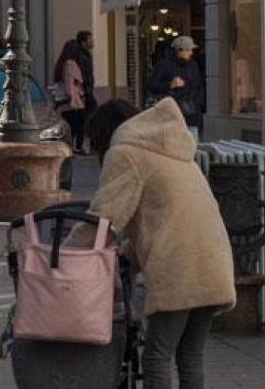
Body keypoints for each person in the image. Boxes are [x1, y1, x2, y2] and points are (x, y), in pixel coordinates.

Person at [87, 98, 235, 389]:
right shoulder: (174, 150)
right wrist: (128, 253)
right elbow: (165, 221)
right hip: (214, 262)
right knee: (191, 356)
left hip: (179, 267)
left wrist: (66, 252)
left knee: (157, 355)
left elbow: (103, 218)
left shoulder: (125, 153)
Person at [148, 36, 205, 134]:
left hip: (191, 114)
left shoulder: (193, 65)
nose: (191, 53)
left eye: (191, 50)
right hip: (171, 115)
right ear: (179, 50)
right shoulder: (164, 65)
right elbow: (152, 85)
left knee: (192, 143)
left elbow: (198, 86)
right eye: (188, 50)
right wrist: (170, 84)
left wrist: (199, 103)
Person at [52, 38, 91, 154]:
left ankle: (71, 146)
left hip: (67, 99)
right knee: (78, 124)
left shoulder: (61, 63)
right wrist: (74, 98)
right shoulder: (71, 64)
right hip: (74, 100)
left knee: (70, 125)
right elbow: (70, 82)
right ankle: (76, 147)